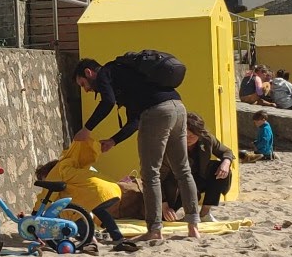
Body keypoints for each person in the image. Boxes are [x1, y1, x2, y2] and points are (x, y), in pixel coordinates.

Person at [74, 54, 200, 245]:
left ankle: (155, 230)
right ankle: (193, 226)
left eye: (83, 84)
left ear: (89, 72)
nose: (86, 90)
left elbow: (107, 103)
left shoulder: (106, 72)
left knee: (150, 174)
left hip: (157, 112)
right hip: (178, 108)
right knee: (183, 170)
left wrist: (86, 129)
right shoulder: (128, 77)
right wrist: (114, 140)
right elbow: (135, 121)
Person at [35, 138, 137, 253]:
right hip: (111, 189)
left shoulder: (56, 173)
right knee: (99, 210)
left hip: (95, 193)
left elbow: (46, 196)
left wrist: (35, 212)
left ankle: (90, 242)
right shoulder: (71, 168)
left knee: (74, 214)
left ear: (47, 174)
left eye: (44, 180)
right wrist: (100, 223)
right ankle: (119, 238)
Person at [164, 112, 234, 221]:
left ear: (200, 134)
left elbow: (226, 151)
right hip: (176, 186)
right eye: (185, 135)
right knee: (164, 216)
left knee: (218, 167)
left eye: (192, 136)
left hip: (198, 179)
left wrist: (226, 162)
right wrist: (164, 205)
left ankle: (205, 213)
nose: (188, 139)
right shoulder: (170, 144)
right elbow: (158, 176)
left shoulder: (207, 139)